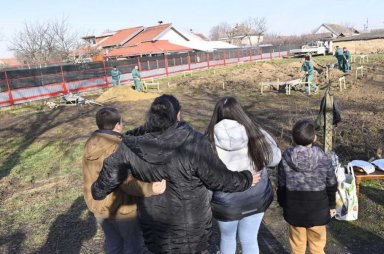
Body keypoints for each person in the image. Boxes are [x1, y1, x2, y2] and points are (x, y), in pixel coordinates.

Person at [91, 95, 261, 254]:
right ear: (178, 115)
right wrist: (246, 178)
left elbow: (107, 178)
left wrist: (97, 190)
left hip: (155, 226)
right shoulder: (194, 142)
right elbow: (219, 179)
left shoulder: (130, 146)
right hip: (191, 228)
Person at [82, 106, 166, 254]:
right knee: (133, 245)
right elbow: (126, 182)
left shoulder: (91, 143)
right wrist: (151, 188)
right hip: (121, 209)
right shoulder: (117, 147)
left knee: (113, 243)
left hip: (98, 207)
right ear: (117, 125)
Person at [206, 96, 282, 254]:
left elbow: (204, 174)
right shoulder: (256, 132)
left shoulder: (207, 140)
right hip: (256, 197)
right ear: (240, 112)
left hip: (225, 203)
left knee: (227, 239)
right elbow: (275, 159)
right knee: (250, 239)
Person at [277, 119, 337, 254]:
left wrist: (282, 203)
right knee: (317, 247)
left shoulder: (285, 158)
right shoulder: (323, 158)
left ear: (293, 138)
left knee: (297, 247)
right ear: (315, 137)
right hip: (319, 210)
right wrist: (332, 205)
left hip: (294, 209)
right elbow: (332, 184)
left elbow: (281, 185)